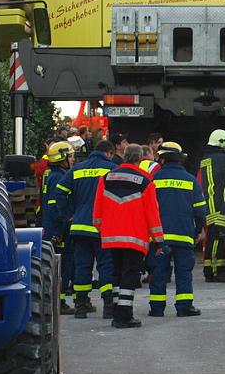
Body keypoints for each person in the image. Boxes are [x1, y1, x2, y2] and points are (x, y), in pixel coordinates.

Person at [93, 144, 164, 328]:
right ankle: (124, 316)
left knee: (116, 273)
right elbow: (152, 212)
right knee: (130, 274)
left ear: (124, 157)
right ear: (140, 159)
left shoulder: (107, 177)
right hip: (134, 237)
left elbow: (98, 207)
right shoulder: (145, 180)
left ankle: (117, 310)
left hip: (110, 236)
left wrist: (100, 227)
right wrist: (158, 239)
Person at [56, 139, 118, 318]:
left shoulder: (77, 169)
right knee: (106, 266)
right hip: (102, 227)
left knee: (82, 266)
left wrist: (68, 214)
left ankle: (81, 306)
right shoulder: (112, 169)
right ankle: (108, 306)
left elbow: (60, 192)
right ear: (109, 153)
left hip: (80, 226)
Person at [149, 142, 206, 317]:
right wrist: (198, 230)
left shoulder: (154, 180)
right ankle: (184, 306)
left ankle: (157, 309)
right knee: (184, 272)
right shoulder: (190, 181)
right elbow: (200, 210)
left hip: (160, 238)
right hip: (184, 236)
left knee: (158, 272)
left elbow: (147, 208)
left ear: (162, 158)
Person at [41, 141, 76, 314]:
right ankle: (59, 303)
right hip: (58, 230)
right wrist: (60, 230)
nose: (73, 158)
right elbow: (57, 208)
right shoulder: (60, 178)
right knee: (63, 266)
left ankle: (58, 301)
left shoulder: (51, 175)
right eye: (70, 155)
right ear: (63, 159)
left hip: (52, 228)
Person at [198, 130, 225, 282]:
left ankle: (211, 269)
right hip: (219, 205)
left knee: (214, 239)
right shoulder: (222, 158)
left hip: (211, 203)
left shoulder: (207, 158)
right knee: (218, 240)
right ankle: (215, 271)